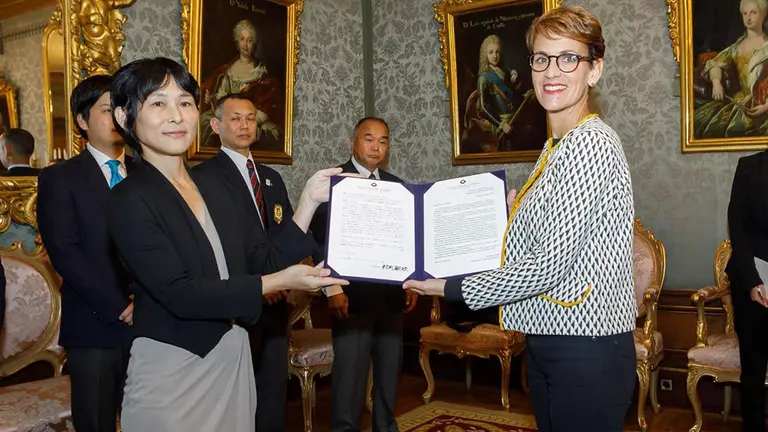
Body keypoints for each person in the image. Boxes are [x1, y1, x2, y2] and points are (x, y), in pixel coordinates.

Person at [404, 6, 637, 431]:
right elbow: (541, 241)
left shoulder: (590, 143)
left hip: (586, 352)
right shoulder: (555, 148)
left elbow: (547, 266)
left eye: (570, 58)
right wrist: (508, 216)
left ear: (594, 70)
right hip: (553, 342)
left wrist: (447, 286)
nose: (553, 70)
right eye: (542, 58)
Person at [107, 57, 348, 432]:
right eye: (158, 103)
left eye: (185, 102)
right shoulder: (129, 198)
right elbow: (181, 293)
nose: (177, 115)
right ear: (124, 118)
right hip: (173, 364)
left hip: (232, 352)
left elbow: (262, 257)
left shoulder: (216, 186)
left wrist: (308, 202)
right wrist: (280, 281)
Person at [194, 93, 297, 432]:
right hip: (236, 307)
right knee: (234, 399)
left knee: (272, 394)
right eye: (235, 118)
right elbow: (215, 244)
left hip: (277, 305)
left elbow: (284, 236)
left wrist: (282, 282)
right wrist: (257, 285)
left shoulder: (271, 177)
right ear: (215, 126)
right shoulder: (203, 178)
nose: (244, 125)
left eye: (250, 119)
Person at [310, 117, 419, 432]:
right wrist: (332, 291)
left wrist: (410, 282)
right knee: (350, 378)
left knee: (388, 374)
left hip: (391, 299)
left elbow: (405, 241)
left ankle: (386, 427)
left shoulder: (397, 187)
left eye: (383, 140)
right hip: (350, 299)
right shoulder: (332, 183)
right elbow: (320, 243)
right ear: (353, 143)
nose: (376, 147)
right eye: (369, 139)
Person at [37, 74, 133, 432]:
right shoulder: (60, 178)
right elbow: (66, 253)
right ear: (82, 120)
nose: (118, 118)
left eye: (124, 110)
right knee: (96, 421)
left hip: (151, 321)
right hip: (95, 323)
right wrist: (120, 306)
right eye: (108, 110)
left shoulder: (145, 174)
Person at [725, 151, 768, 430]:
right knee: (753, 369)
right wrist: (753, 280)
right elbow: (737, 225)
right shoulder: (750, 166)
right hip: (752, 281)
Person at [200, 19, 280, 149]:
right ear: (237, 42)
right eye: (242, 39)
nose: (246, 44)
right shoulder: (228, 70)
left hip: (253, 116)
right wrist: (213, 99)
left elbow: (268, 101)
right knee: (205, 124)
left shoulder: (261, 70)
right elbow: (222, 94)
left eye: (249, 40)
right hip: (230, 116)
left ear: (254, 44)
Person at [694, 0, 768, 138]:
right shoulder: (736, 47)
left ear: (764, 14)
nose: (748, 17)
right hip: (738, 102)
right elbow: (715, 63)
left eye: (753, 12)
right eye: (745, 13)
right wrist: (716, 82)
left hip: (763, 102)